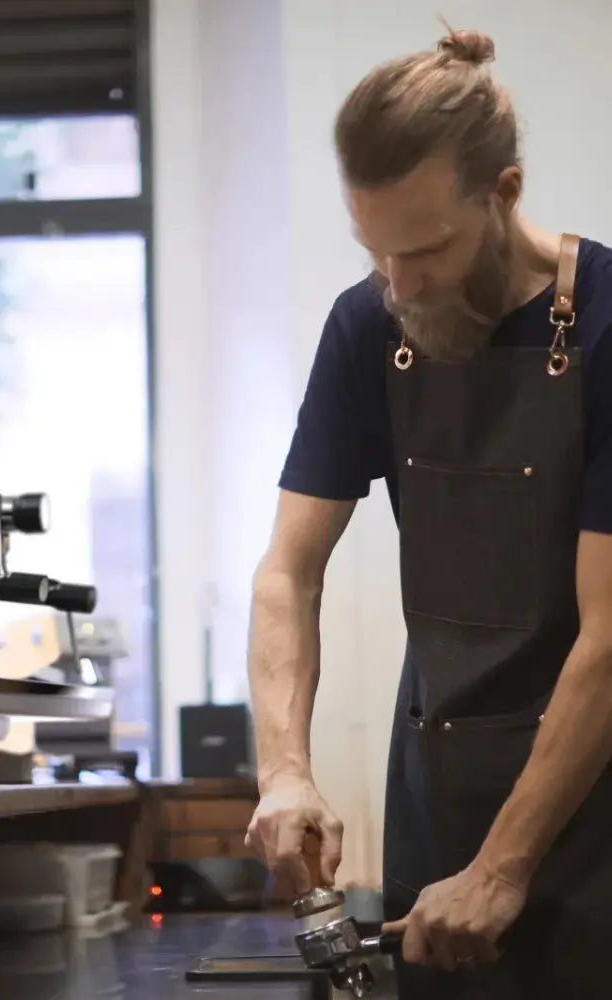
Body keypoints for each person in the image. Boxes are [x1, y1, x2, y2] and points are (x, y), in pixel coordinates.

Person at [243, 27, 612, 1000]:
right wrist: (284, 769)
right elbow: (289, 570)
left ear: (504, 193)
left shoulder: (611, 326)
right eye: (376, 252)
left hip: (593, 836)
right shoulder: (367, 324)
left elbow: (609, 638)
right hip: (433, 822)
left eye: (427, 249)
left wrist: (500, 868)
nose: (398, 287)